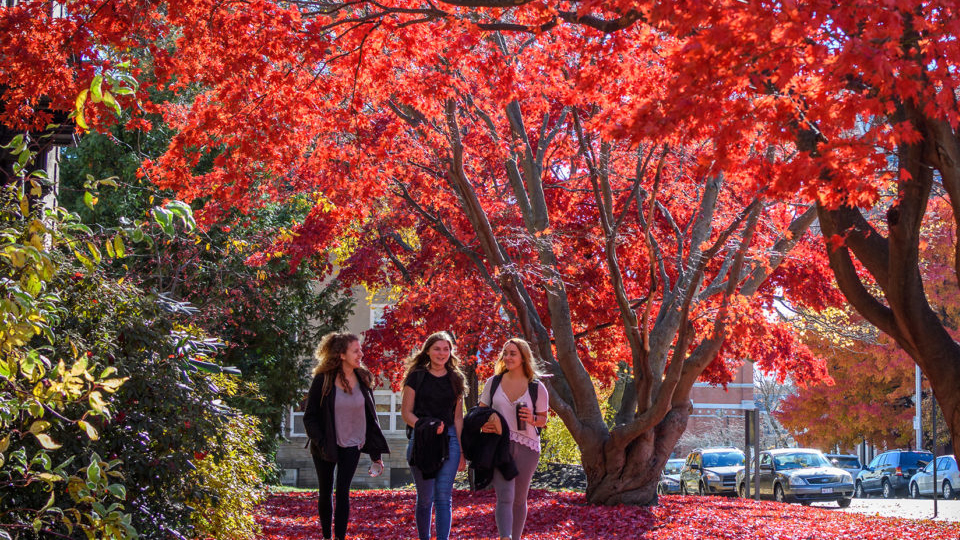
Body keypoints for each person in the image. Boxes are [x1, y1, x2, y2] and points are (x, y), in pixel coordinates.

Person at [302, 332, 390, 540]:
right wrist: (321, 442)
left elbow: (371, 418)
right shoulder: (323, 381)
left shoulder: (363, 378)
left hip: (353, 444)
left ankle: (339, 538)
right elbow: (310, 417)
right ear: (341, 354)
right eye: (356, 350)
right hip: (326, 445)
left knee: (343, 492)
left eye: (360, 350)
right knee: (326, 491)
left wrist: (376, 454)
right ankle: (327, 536)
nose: (361, 354)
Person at [478, 338, 549, 540]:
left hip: (528, 447)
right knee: (505, 496)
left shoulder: (537, 387)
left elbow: (543, 420)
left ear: (523, 358)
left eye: (513, 353)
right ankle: (505, 537)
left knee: (519, 499)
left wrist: (532, 418)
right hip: (499, 446)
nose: (507, 357)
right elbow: (480, 413)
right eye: (505, 353)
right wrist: (484, 424)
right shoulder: (493, 383)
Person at [401, 331, 467, 540]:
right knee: (425, 498)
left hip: (450, 440)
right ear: (428, 351)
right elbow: (406, 413)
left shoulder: (456, 378)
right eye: (437, 349)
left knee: (443, 498)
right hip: (422, 439)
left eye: (446, 349)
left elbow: (458, 418)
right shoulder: (417, 376)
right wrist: (426, 425)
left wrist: (462, 451)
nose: (441, 353)